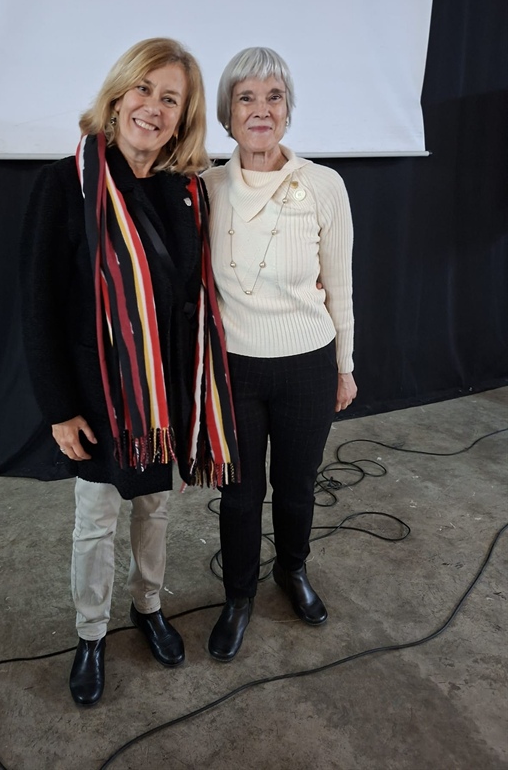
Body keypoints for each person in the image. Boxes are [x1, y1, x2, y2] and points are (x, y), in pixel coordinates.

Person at [20, 38, 238, 705]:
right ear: (117, 97)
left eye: (170, 99)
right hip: (98, 397)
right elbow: (38, 306)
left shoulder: (185, 192)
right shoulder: (66, 184)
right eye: (144, 89)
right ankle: (91, 633)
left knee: (155, 508)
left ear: (182, 118)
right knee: (95, 520)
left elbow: (193, 295)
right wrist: (59, 408)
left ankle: (148, 606)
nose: (154, 107)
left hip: (163, 397)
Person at [203, 47, 357, 662]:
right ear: (228, 113)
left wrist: (345, 366)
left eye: (274, 97)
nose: (260, 110)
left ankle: (291, 570)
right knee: (239, 492)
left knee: (296, 485)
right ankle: (238, 596)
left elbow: (340, 284)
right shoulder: (206, 188)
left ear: (288, 110)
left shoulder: (323, 185)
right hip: (234, 368)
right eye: (246, 98)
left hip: (307, 364)